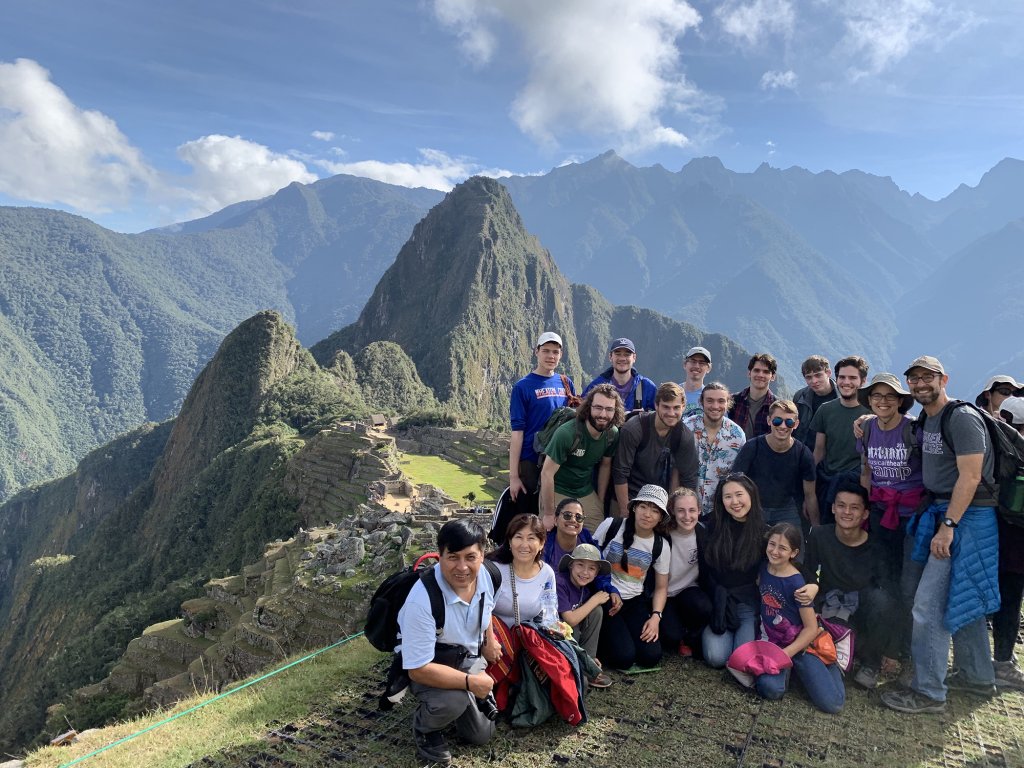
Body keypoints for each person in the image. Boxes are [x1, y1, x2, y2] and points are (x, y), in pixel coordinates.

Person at [881, 356, 1000, 715]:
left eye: (927, 377)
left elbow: (971, 476)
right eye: (914, 379)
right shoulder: (929, 420)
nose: (920, 384)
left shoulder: (960, 418)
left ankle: (929, 691)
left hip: (965, 517)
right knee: (965, 594)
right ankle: (978, 675)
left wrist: (948, 527)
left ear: (944, 379)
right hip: (945, 512)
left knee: (927, 605)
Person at [397, 519, 501, 765]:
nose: (462, 567)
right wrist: (470, 682)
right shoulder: (421, 601)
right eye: (453, 557)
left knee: (481, 735)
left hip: (467, 657)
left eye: (470, 557)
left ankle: (456, 704)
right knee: (452, 701)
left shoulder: (489, 575)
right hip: (431, 663)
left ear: (482, 555)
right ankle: (426, 728)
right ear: (439, 555)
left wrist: (489, 638)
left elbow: (487, 610)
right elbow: (418, 670)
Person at [856, 372, 925, 675]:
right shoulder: (867, 429)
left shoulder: (913, 430)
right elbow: (867, 469)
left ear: (900, 401)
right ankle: (885, 647)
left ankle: (902, 651)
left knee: (908, 587)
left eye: (889, 396)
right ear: (869, 401)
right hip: (880, 513)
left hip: (911, 518)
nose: (883, 402)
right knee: (884, 583)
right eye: (876, 396)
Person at [803, 481, 900, 690]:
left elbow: (890, 595)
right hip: (830, 608)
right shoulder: (819, 536)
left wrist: (892, 650)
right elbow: (809, 576)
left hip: (862, 611)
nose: (846, 512)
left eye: (854, 508)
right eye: (841, 505)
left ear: (865, 514)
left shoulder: (877, 547)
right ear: (832, 508)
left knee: (881, 600)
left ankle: (870, 664)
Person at [754, 523, 846, 714]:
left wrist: (785, 654)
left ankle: (831, 667)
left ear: (793, 553)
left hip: (801, 644)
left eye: (783, 548)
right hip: (773, 639)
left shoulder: (797, 583)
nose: (775, 551)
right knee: (769, 689)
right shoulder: (763, 568)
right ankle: (790, 672)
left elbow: (810, 628)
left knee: (833, 704)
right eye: (772, 544)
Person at [594, 484, 671, 670]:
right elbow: (590, 559)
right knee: (624, 658)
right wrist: (606, 590)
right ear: (634, 507)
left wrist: (655, 618)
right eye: (643, 506)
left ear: (660, 517)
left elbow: (661, 587)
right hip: (604, 598)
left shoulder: (660, 545)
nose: (647, 514)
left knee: (651, 655)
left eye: (655, 510)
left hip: (634, 601)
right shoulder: (612, 526)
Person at [700, 474, 767, 669]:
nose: (734, 502)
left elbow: (789, 562)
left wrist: (812, 585)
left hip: (746, 603)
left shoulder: (765, 532)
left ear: (751, 495)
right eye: (727, 496)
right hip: (718, 600)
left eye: (739, 494)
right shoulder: (711, 525)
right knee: (716, 657)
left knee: (742, 659)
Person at [508, 331, 577, 517]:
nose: (551, 356)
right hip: (531, 459)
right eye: (546, 350)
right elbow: (517, 432)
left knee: (557, 511)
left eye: (555, 352)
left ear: (561, 355)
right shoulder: (522, 387)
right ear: (536, 352)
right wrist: (514, 477)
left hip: (559, 458)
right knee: (529, 514)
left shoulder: (566, 383)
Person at [539, 384, 624, 530]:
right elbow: (547, 473)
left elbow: (605, 465)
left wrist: (600, 500)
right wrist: (548, 514)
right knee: (557, 533)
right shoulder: (567, 433)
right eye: (598, 407)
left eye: (609, 409)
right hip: (558, 489)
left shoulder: (612, 434)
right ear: (589, 407)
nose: (603, 414)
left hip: (585, 490)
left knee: (598, 534)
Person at [612, 382, 698, 515]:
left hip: (660, 502)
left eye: (676, 408)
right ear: (656, 405)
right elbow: (620, 473)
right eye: (666, 407)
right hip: (628, 496)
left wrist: (682, 513)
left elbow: (689, 479)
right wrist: (625, 512)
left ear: (683, 407)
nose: (671, 413)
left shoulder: (683, 436)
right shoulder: (635, 429)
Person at [731, 399, 819, 527]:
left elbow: (810, 495)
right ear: (769, 421)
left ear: (796, 424)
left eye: (789, 422)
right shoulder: (752, 448)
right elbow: (735, 483)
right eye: (777, 421)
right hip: (755, 507)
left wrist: (816, 528)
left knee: (794, 545)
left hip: (787, 510)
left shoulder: (803, 454)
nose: (783, 426)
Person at [809, 355, 871, 521]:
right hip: (827, 481)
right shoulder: (825, 410)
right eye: (842, 377)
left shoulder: (872, 413)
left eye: (852, 378)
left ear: (863, 381)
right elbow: (819, 451)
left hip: (856, 484)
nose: (846, 382)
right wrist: (809, 490)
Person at [991, 396, 1024, 690]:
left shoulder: (995, 442)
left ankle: (997, 661)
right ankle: (1002, 661)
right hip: (1011, 540)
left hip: (995, 535)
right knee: (1011, 600)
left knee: (1003, 599)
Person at [542, 497, 623, 615]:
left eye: (578, 517)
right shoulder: (544, 544)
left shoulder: (587, 541)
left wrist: (612, 591)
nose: (573, 520)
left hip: (579, 602)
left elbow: (600, 573)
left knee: (602, 608)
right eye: (567, 515)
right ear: (555, 520)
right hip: (548, 603)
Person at [659, 488, 712, 657]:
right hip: (664, 593)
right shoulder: (663, 534)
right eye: (681, 510)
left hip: (689, 589)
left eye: (692, 510)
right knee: (670, 638)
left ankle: (689, 636)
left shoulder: (703, 533)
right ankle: (675, 629)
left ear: (699, 511)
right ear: (672, 511)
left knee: (704, 607)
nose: (687, 516)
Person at [556, 544, 616, 687]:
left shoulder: (585, 588)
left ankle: (589, 662)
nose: (585, 572)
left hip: (573, 637)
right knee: (592, 608)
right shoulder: (560, 583)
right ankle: (579, 666)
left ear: (596, 573)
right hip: (558, 639)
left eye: (591, 568)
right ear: (571, 565)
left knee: (597, 611)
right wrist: (595, 600)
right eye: (580, 565)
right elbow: (570, 620)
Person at [683, 382, 747, 517]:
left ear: (728, 403)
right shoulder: (687, 427)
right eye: (710, 401)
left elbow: (739, 476)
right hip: (687, 507)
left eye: (721, 401)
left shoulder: (737, 435)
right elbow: (675, 466)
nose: (715, 406)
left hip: (721, 511)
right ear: (701, 402)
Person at [489, 514, 558, 629]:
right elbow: (479, 612)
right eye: (518, 537)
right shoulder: (494, 570)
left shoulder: (546, 573)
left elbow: (549, 612)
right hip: (493, 640)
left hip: (527, 640)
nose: (524, 545)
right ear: (510, 542)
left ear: (541, 543)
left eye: (531, 538)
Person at [584, 337, 656, 415]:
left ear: (634, 357)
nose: (622, 358)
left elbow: (659, 415)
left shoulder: (646, 387)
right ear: (610, 357)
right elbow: (582, 412)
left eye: (627, 354)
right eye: (618, 354)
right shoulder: (596, 386)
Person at [729, 353, 778, 440]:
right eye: (756, 370)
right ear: (749, 373)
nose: (760, 375)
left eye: (766, 372)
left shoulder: (777, 407)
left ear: (773, 377)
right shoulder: (733, 401)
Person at [792, 355, 837, 450]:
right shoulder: (800, 397)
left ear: (828, 373)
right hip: (803, 454)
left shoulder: (841, 397)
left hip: (832, 458)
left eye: (818, 375)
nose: (814, 381)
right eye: (809, 377)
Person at [681, 346, 712, 417]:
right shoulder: (673, 393)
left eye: (702, 363)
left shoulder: (712, 399)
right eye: (693, 361)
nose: (697, 366)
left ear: (709, 368)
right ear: (685, 364)